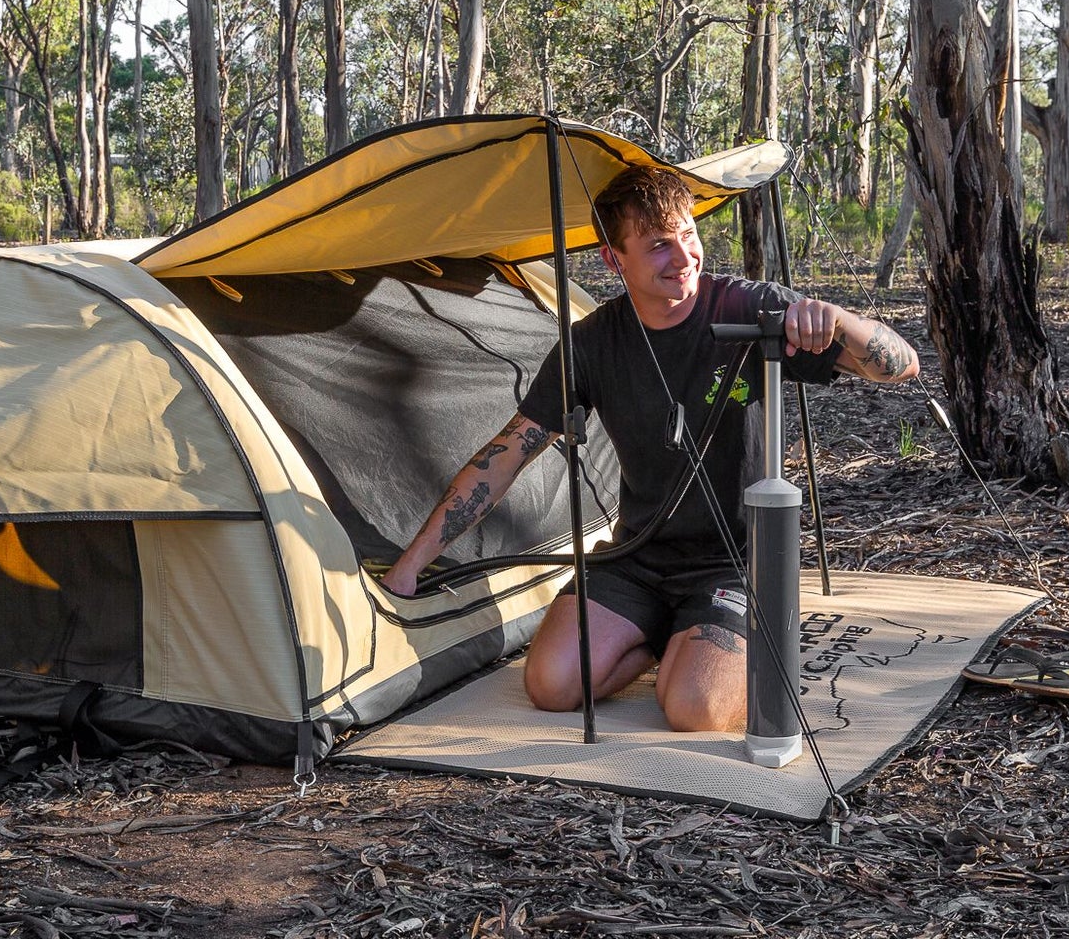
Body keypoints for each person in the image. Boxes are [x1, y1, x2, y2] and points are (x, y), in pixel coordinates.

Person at [381, 166, 920, 732]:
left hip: (736, 563)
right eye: (659, 245)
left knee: (695, 709)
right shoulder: (591, 343)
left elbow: (901, 366)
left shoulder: (753, 309)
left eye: (688, 235)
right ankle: (667, 641)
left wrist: (840, 321)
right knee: (552, 685)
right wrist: (412, 565)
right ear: (616, 261)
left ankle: (705, 649)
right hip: (636, 558)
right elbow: (510, 452)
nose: (683, 257)